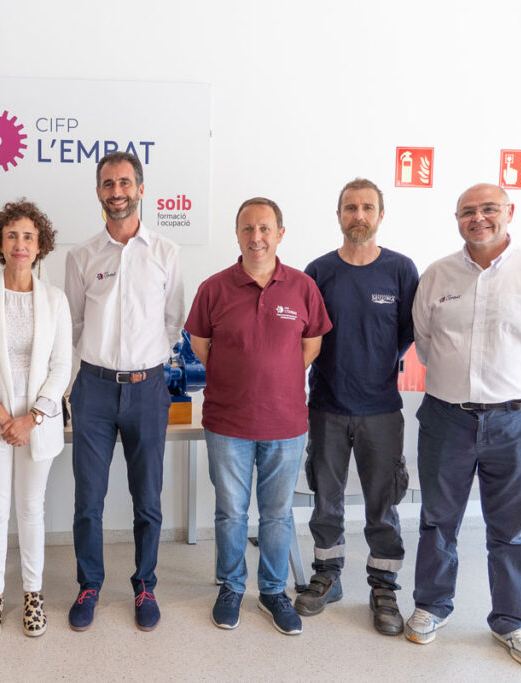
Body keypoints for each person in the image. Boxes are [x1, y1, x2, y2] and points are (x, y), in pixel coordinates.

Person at [405, 183, 521, 668]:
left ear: (509, 212)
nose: (478, 218)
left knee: (511, 528)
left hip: (518, 422)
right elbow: (425, 342)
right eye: (467, 211)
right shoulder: (437, 274)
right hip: (447, 418)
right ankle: (431, 606)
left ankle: (512, 620)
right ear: (457, 219)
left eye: (489, 208)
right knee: (438, 520)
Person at [186, 197, 331, 635]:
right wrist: (239, 375)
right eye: (248, 228)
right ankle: (231, 586)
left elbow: (311, 345)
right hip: (227, 423)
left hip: (285, 424)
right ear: (237, 234)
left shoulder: (303, 287)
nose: (256, 237)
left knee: (277, 514)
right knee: (231, 512)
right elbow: (200, 343)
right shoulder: (214, 288)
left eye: (265, 228)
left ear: (280, 234)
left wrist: (276, 376)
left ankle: (272, 591)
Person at [64, 151, 185, 631]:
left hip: (147, 389)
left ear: (141, 189)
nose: (117, 192)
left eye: (125, 183)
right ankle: (89, 585)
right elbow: (73, 325)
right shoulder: (81, 257)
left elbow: (173, 320)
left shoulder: (166, 253)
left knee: (148, 499)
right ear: (98, 191)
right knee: (88, 500)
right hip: (93, 390)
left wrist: (146, 361)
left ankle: (145, 585)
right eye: (109, 184)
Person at [293, 178, 419, 636]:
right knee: (326, 501)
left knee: (382, 505)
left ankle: (383, 587)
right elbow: (307, 335)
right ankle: (326, 575)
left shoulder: (401, 270)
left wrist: (375, 366)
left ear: (380, 215)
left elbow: (407, 334)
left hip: (381, 410)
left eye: (367, 207)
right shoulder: (319, 271)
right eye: (350, 208)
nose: (358, 215)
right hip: (326, 406)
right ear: (339, 215)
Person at [0, 199, 72, 641]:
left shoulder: (55, 300)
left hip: (37, 420)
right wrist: (4, 416)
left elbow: (62, 367)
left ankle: (32, 594)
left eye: (28, 236)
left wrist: (32, 418)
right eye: (12, 236)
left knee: (31, 509)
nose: (20, 244)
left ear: (40, 245)